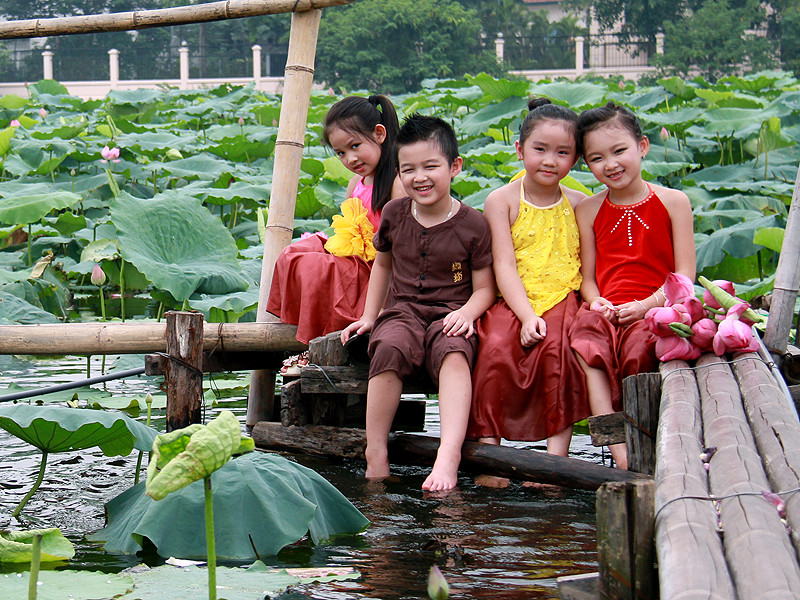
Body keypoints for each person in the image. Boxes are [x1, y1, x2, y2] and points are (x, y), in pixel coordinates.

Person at [341, 114, 495, 491]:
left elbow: (485, 289)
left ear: (454, 167)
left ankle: (448, 454)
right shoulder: (394, 214)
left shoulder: (474, 224)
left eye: (431, 166)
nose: (419, 177)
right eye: (408, 169)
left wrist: (467, 313)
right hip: (403, 310)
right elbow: (383, 265)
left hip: (451, 313)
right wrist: (369, 316)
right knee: (388, 347)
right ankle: (375, 451)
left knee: (455, 352)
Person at [466, 98, 591, 467]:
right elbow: (503, 265)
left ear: (576, 159)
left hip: (563, 297)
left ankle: (556, 461)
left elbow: (587, 264)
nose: (550, 160)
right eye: (540, 149)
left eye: (563, 152)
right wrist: (524, 315)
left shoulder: (580, 202)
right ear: (520, 149)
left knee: (561, 352)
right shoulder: (501, 200)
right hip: (513, 297)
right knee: (494, 349)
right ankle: (491, 453)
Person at [571, 101, 696, 469]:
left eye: (619, 151)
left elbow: (685, 276)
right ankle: (617, 449)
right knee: (586, 336)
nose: (609, 164)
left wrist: (646, 305)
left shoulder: (674, 202)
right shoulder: (588, 209)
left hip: (658, 305)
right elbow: (588, 279)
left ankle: (649, 443)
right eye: (596, 158)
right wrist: (598, 303)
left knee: (642, 345)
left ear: (642, 146)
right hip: (608, 308)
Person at [267, 95, 406, 360]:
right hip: (353, 259)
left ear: (379, 134)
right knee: (293, 253)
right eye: (341, 153)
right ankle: (306, 330)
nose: (350, 158)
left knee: (315, 267)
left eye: (355, 146)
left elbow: (400, 250)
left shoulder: (397, 184)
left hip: (378, 271)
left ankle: (315, 339)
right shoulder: (355, 184)